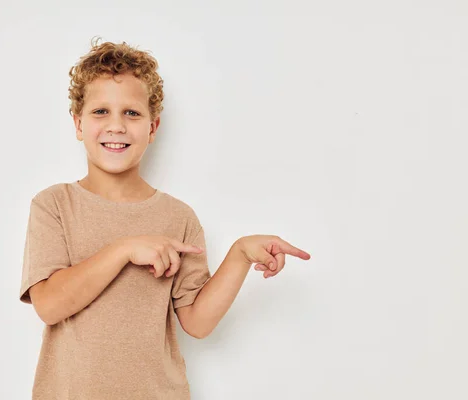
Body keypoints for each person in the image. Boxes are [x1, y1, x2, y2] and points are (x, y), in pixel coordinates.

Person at [19, 37, 311, 400]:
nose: (116, 125)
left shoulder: (177, 217)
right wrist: (124, 249)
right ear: (78, 124)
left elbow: (197, 322)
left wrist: (239, 254)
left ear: (153, 128)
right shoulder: (54, 205)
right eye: (100, 112)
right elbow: (48, 305)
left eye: (132, 113)